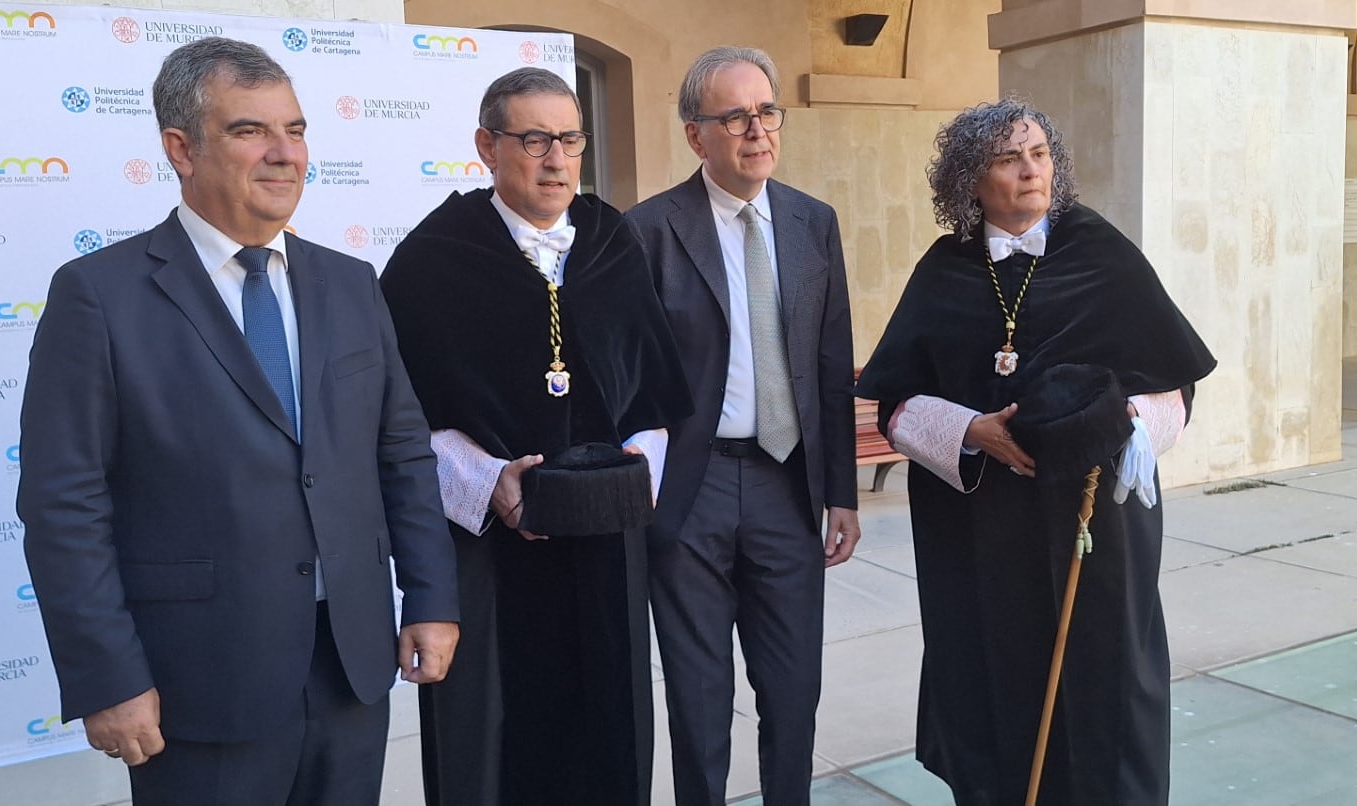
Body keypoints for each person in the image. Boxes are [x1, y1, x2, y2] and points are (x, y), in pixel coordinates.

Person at [16, 36, 460, 806]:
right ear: (180, 149)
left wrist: (430, 597)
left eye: (296, 130)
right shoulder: (100, 296)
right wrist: (108, 676)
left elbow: (401, 454)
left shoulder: (351, 283)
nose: (284, 154)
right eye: (250, 131)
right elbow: (64, 504)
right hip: (196, 686)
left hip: (349, 666)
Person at [853, 98, 1216, 805]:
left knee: (1105, 684)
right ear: (969, 179)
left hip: (1093, 532)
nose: (1030, 171)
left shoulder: (1102, 254)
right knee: (996, 677)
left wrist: (1126, 429)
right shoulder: (944, 271)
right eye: (1008, 158)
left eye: (1041, 154)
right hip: (982, 534)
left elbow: (1174, 387)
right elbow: (895, 406)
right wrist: (969, 429)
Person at [379, 67, 692, 806]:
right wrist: (492, 483)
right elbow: (397, 422)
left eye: (571, 139)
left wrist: (634, 470)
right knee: (493, 744)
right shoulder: (433, 259)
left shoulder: (611, 239)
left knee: (609, 724)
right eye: (534, 140)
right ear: (487, 146)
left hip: (605, 541)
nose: (557, 159)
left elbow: (653, 390)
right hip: (488, 554)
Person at [624, 46, 859, 806]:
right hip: (688, 495)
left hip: (785, 487)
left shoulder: (811, 223)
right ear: (696, 135)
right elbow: (627, 382)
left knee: (793, 693)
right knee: (698, 701)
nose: (757, 131)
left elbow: (832, 360)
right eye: (735, 117)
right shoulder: (647, 232)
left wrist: (842, 494)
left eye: (766, 112)